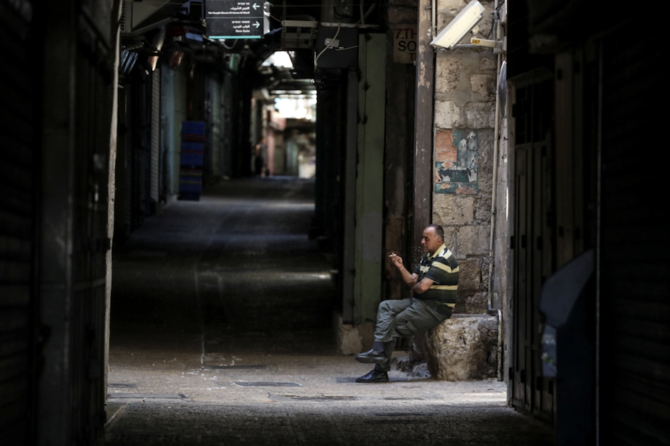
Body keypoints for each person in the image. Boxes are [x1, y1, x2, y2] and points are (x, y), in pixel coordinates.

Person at [355, 224, 459, 383]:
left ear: (438, 241)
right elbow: (413, 281)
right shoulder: (428, 256)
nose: (422, 242)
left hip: (434, 308)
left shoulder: (443, 258)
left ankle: (380, 371)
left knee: (391, 324)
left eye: (426, 239)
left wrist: (416, 288)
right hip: (420, 301)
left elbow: (421, 287)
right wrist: (401, 267)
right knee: (386, 306)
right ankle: (377, 350)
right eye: (422, 238)